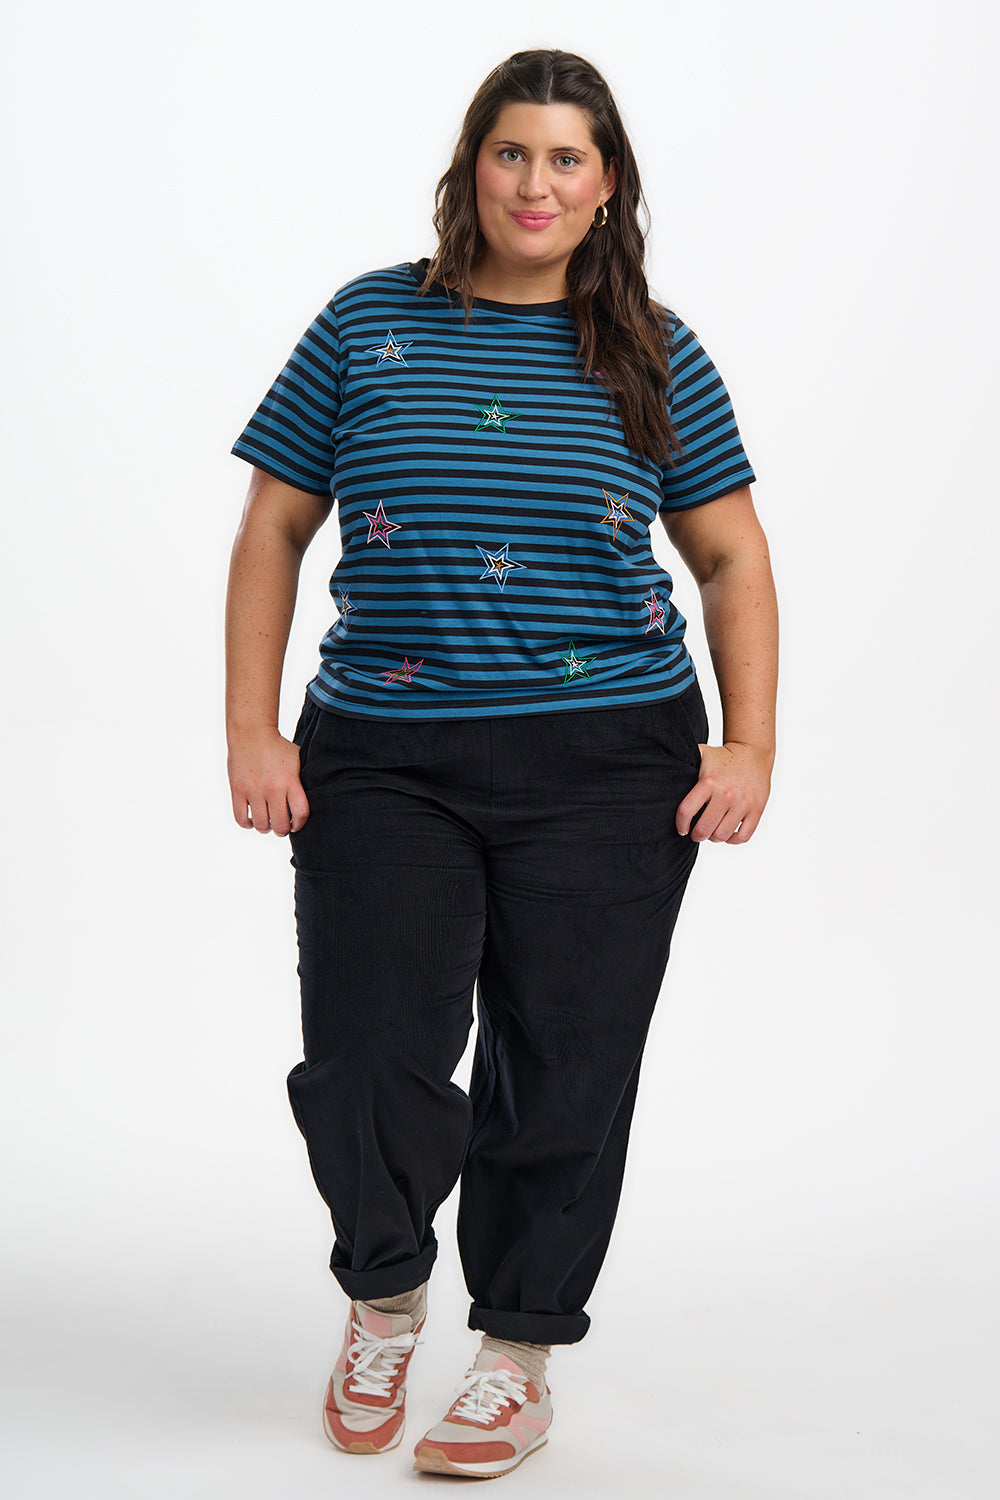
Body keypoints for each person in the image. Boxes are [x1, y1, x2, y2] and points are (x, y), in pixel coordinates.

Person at [225, 47, 778, 1482]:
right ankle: (384, 1299)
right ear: (471, 165)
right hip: (382, 754)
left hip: (609, 761)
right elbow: (274, 525)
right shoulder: (366, 321)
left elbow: (729, 557)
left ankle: (518, 1352)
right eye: (512, 152)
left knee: (566, 1063)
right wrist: (251, 728)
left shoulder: (653, 349)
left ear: (608, 187)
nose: (536, 183)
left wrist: (750, 741)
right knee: (368, 1054)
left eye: (567, 158)